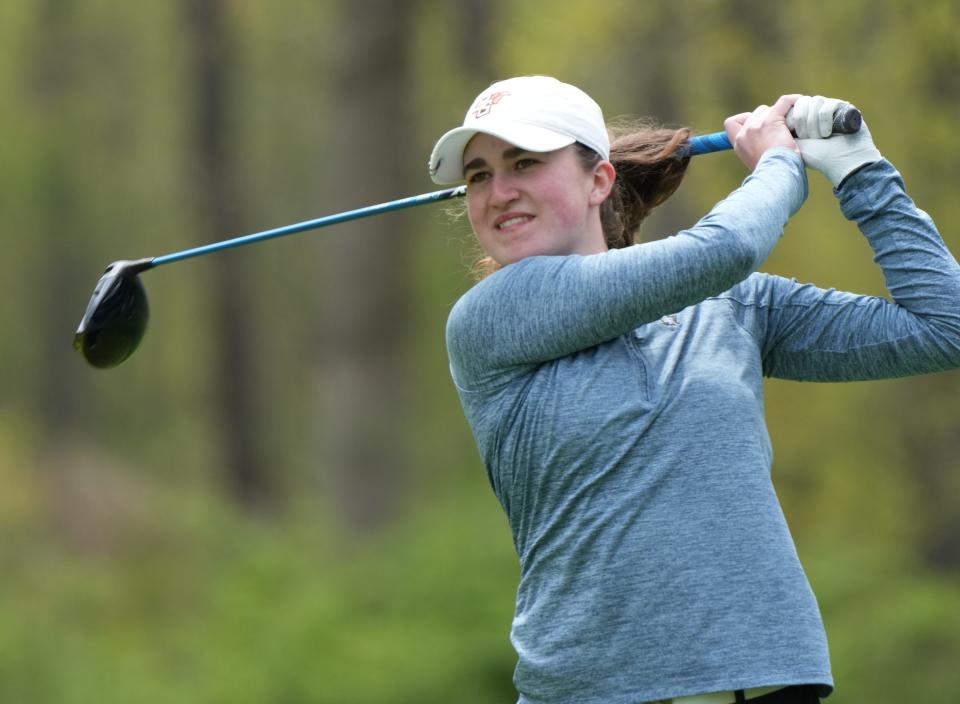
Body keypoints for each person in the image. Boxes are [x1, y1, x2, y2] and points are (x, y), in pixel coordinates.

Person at [427, 76, 960, 704]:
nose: (499, 191)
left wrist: (861, 171)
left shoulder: (731, 306)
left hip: (769, 681)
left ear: (598, 180)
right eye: (479, 175)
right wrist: (781, 165)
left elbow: (943, 327)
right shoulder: (490, 318)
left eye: (523, 163)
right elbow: (727, 247)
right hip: (594, 692)